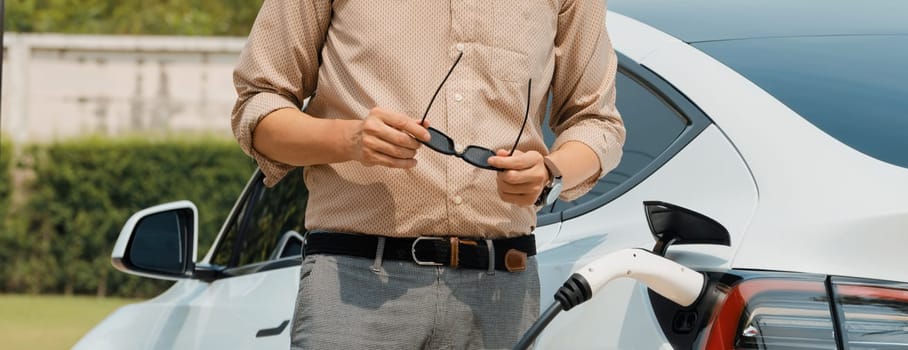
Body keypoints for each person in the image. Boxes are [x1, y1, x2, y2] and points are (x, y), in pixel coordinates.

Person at [230, 0, 624, 349]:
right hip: (354, 284)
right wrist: (349, 138)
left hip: (500, 293)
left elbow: (597, 123)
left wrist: (550, 172)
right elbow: (258, 105)